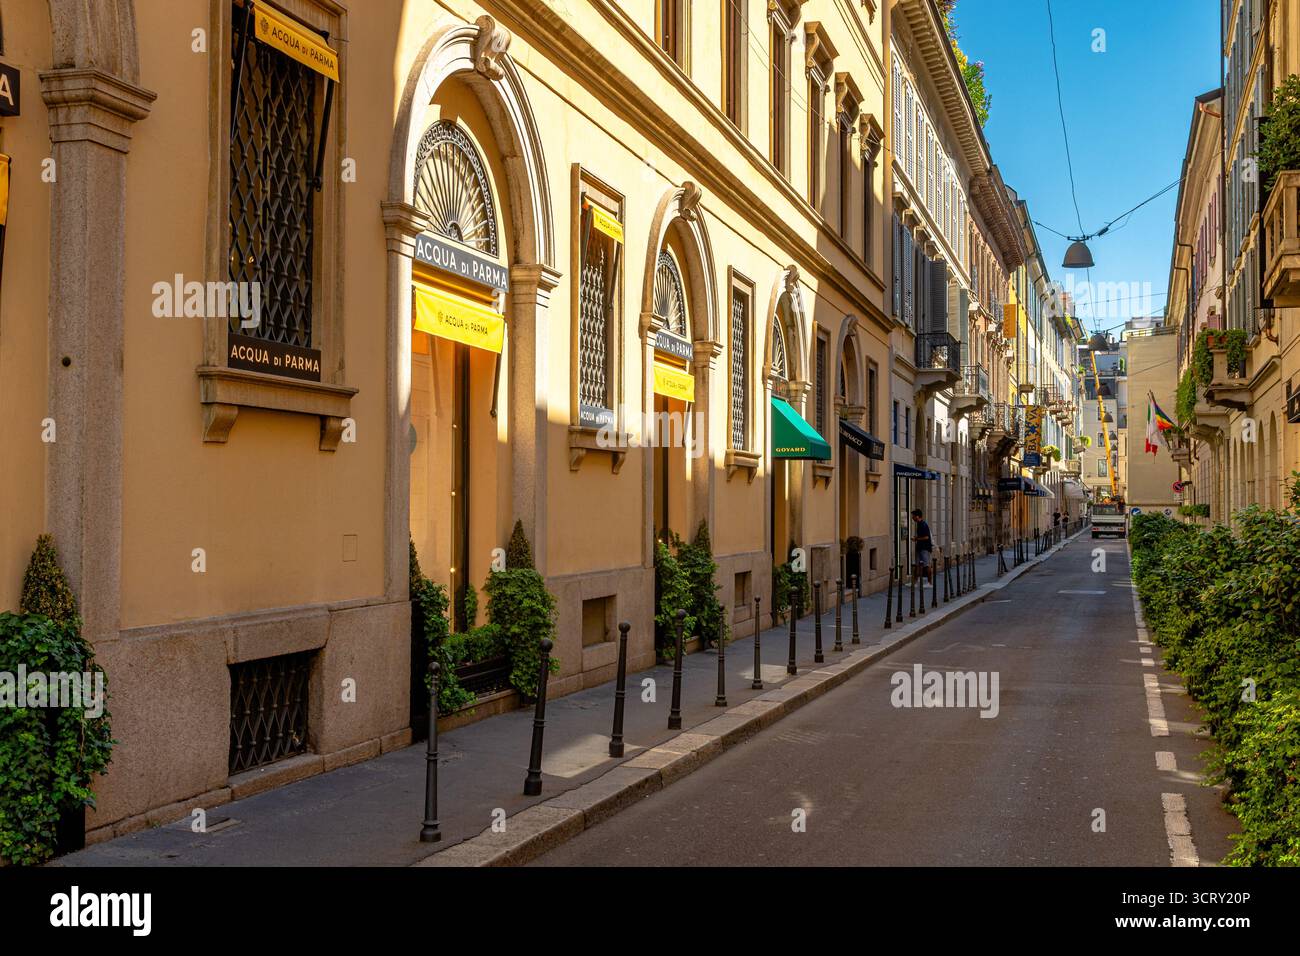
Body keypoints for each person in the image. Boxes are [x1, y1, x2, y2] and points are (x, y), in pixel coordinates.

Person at [911, 509, 932, 580]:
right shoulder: (919, 524)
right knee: (917, 565)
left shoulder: (923, 524)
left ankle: (930, 582)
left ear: (917, 516)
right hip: (920, 547)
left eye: (913, 516)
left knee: (926, 565)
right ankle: (916, 582)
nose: (912, 518)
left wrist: (916, 539)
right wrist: (917, 538)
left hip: (924, 548)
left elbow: (926, 537)